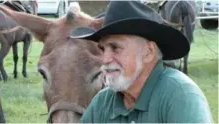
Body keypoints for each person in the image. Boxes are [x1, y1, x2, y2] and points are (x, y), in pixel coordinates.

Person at [70, 1, 213, 123]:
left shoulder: (181, 96)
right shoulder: (102, 103)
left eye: (115, 48)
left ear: (148, 52)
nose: (105, 59)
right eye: (103, 49)